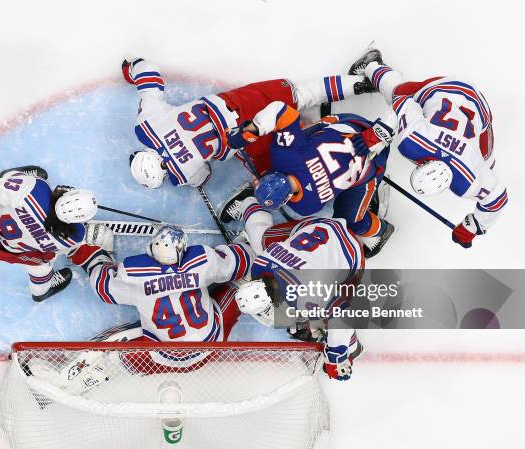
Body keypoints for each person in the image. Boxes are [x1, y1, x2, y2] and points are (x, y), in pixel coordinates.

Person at [26, 225, 256, 392]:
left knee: (112, 346)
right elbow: (239, 262)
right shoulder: (202, 260)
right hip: (209, 347)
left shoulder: (135, 274)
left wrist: (94, 254)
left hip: (162, 355)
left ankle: (65, 379)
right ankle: (89, 378)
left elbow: (103, 287)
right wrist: (243, 245)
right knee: (243, 288)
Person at [124, 57, 375, 187]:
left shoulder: (181, 174)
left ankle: (322, 130)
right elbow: (149, 76)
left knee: (280, 167)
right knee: (298, 95)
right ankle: (362, 83)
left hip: (245, 138)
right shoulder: (146, 126)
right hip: (238, 103)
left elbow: (204, 176)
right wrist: (131, 67)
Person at [349, 47, 507, 248]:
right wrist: (379, 133)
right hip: (459, 98)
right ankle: (372, 65)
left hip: (465, 100)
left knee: (485, 163)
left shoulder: (464, 177)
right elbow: (402, 102)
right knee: (398, 91)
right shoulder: (415, 144)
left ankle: (373, 65)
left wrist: (473, 226)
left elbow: (403, 103)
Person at [220, 184, 364, 381]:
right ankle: (249, 201)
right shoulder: (264, 262)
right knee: (261, 240)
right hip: (322, 228)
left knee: (334, 310)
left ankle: (352, 344)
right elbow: (257, 233)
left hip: (350, 255)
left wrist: (336, 356)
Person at [224, 100, 396, 258]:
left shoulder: (306, 206)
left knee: (351, 222)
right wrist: (251, 131)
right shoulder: (283, 155)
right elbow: (280, 110)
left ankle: (382, 230)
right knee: (282, 141)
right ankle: (254, 195)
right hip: (351, 126)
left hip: (375, 161)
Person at [0, 160, 110, 301]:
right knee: (41, 262)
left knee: (12, 185)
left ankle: (12, 176)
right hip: (12, 251)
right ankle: (41, 292)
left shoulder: (34, 188)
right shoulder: (73, 238)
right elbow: (54, 251)